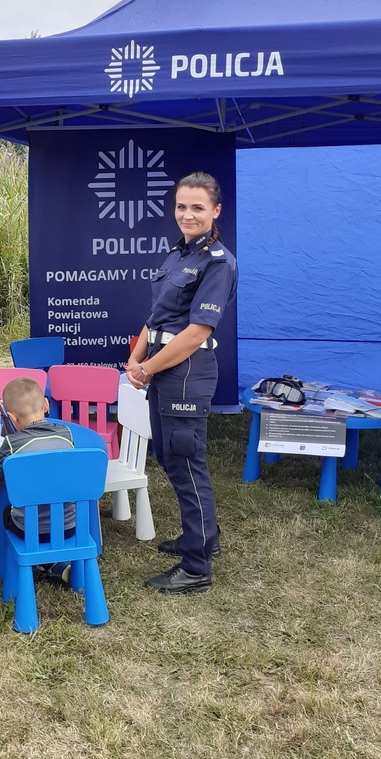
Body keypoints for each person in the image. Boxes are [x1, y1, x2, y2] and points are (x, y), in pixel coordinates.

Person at [125, 172, 238, 595]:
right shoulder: (178, 254)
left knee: (188, 464)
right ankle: (203, 537)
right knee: (171, 458)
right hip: (162, 367)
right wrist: (136, 357)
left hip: (186, 373)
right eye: (181, 206)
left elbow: (195, 333)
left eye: (197, 207)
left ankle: (196, 567)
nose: (187, 215)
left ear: (215, 211)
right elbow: (156, 317)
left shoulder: (218, 263)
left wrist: (148, 368)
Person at [0, 377, 75, 582]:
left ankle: (26, 564)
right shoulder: (66, 434)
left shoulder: (12, 443)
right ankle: (56, 565)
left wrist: (1, 469)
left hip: (28, 531)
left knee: (6, 510)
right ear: (46, 405)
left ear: (11, 418)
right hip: (69, 527)